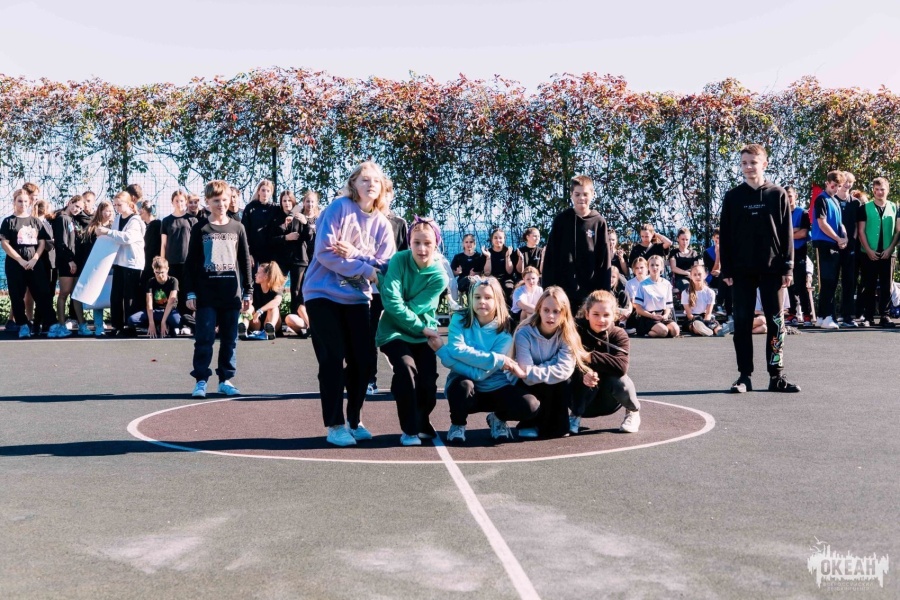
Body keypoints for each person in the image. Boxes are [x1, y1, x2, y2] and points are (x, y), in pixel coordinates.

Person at [302, 161, 396, 447]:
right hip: (322, 294)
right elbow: (325, 253)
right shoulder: (338, 208)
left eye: (376, 181)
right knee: (332, 356)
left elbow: (386, 266)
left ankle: (354, 420)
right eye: (364, 179)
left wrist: (356, 256)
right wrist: (366, 268)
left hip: (357, 298)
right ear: (353, 183)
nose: (370, 184)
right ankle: (334, 425)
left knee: (364, 360)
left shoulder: (382, 224)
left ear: (382, 188)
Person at [719, 144, 799, 393]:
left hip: (772, 269)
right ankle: (744, 376)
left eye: (753, 162)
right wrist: (726, 269)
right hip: (741, 270)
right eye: (744, 163)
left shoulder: (778, 194)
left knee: (776, 322)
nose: (748, 167)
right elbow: (726, 235)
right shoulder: (733, 197)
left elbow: (786, 234)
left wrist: (788, 267)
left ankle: (777, 376)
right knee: (742, 323)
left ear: (764, 164)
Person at [432, 277, 539, 444]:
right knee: (462, 386)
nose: (482, 301)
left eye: (488, 297)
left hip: (496, 387)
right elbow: (456, 349)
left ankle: (498, 418)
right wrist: (497, 359)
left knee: (530, 405)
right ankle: (458, 424)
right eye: (477, 297)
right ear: (471, 298)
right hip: (467, 388)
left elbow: (481, 374)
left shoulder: (505, 329)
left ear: (497, 300)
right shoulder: (459, 318)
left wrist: (446, 356)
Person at [375, 217, 448, 445]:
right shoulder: (399, 259)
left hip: (423, 334)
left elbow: (409, 307)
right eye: (416, 242)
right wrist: (393, 300)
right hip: (394, 332)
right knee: (406, 370)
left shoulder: (439, 276)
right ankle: (409, 430)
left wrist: (383, 285)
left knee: (428, 384)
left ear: (436, 244)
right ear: (409, 242)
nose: (421, 248)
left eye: (427, 243)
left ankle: (421, 418)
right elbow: (393, 305)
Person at [184, 180, 253, 398]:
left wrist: (248, 291)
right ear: (207, 202)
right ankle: (201, 381)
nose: (221, 204)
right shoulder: (200, 228)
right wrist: (190, 291)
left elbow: (245, 261)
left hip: (231, 294)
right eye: (216, 200)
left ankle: (225, 380)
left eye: (224, 200)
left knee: (230, 340)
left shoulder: (238, 227)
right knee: (204, 339)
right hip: (206, 294)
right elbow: (191, 263)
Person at [504, 286, 588, 439]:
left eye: (556, 311)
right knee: (532, 395)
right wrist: (552, 364)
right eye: (546, 310)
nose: (550, 316)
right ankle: (526, 422)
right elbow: (525, 373)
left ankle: (552, 423)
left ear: (564, 313)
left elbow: (564, 370)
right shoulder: (524, 332)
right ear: (539, 310)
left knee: (566, 381)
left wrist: (534, 370)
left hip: (551, 383)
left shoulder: (568, 334)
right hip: (526, 384)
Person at [570, 290, 641, 435]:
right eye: (596, 314)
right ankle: (574, 416)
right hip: (581, 398)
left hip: (609, 401)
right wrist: (584, 373)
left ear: (614, 315)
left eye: (606, 315)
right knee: (566, 376)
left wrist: (590, 357)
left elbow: (621, 366)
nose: (601, 320)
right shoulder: (575, 330)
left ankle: (633, 412)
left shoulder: (619, 334)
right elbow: (567, 360)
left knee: (621, 380)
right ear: (587, 314)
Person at [542, 175, 611, 309]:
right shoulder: (561, 220)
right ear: (571, 195)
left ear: (592, 195)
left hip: (590, 293)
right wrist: (548, 290)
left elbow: (604, 261)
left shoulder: (599, 222)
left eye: (585, 194)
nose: (581, 198)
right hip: (563, 291)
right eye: (577, 194)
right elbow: (551, 257)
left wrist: (604, 293)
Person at [368, 182, 409, 395]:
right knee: (369, 335)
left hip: (393, 290)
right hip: (369, 289)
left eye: (386, 194)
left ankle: (401, 378)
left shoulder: (399, 223)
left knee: (398, 334)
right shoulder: (366, 220)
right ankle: (370, 379)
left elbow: (405, 256)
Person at [0, 189, 54, 338]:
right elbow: (5, 244)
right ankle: (22, 325)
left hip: (34, 264)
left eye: (25, 201)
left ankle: (52, 324)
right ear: (14, 202)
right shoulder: (8, 221)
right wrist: (20, 260)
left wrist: (35, 259)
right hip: (15, 265)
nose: (22, 204)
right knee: (16, 296)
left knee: (43, 293)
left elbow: (42, 243)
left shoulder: (35, 221)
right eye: (19, 201)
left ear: (29, 203)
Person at [97, 190, 146, 338]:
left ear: (129, 204)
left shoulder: (135, 220)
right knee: (116, 295)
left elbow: (127, 238)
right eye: (115, 205)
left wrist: (107, 232)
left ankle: (130, 326)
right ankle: (116, 326)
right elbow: (114, 237)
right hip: (119, 262)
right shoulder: (118, 219)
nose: (117, 208)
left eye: (119, 205)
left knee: (129, 297)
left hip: (132, 263)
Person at [857, 177, 899, 328]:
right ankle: (868, 316)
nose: (879, 192)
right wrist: (868, 250)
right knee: (869, 285)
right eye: (876, 190)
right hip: (869, 252)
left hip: (888, 252)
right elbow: (861, 231)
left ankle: (885, 316)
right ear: (873, 191)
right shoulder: (865, 208)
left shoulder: (894, 207)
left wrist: (890, 248)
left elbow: (898, 231)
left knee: (887, 285)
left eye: (882, 189)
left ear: (887, 190)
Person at [811, 170, 848, 329]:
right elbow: (822, 223)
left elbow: (840, 223)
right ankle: (827, 316)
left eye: (838, 186)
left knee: (831, 281)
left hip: (834, 243)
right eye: (833, 186)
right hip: (824, 243)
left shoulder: (835, 201)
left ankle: (821, 316)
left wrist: (844, 237)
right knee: (827, 281)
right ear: (827, 183)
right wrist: (838, 238)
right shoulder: (821, 199)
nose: (835, 189)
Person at [160, 190, 198, 334]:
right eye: (177, 201)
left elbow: (196, 244)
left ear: (186, 202)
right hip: (171, 263)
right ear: (172, 202)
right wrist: (163, 263)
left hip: (188, 264)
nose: (179, 203)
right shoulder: (166, 221)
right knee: (172, 295)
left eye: (182, 201)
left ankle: (187, 324)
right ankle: (173, 323)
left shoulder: (192, 220)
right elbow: (163, 244)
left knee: (187, 293)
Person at [50, 195, 87, 338]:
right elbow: (61, 242)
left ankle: (82, 324)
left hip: (76, 262)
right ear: (70, 202)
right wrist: (69, 260)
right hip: (66, 263)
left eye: (80, 208)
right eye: (76, 206)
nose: (77, 209)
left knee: (76, 295)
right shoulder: (62, 218)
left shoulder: (72, 219)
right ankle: (61, 325)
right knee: (64, 293)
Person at [79, 201, 115, 337]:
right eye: (106, 210)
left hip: (113, 266)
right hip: (97, 267)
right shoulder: (92, 228)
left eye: (110, 210)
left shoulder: (115, 226)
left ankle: (116, 324)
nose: (108, 213)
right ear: (100, 211)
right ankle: (98, 325)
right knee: (98, 297)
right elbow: (87, 249)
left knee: (113, 296)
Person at [834, 171, 862, 327]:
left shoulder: (856, 203)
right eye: (845, 181)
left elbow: (858, 225)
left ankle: (847, 316)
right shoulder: (832, 200)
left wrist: (852, 241)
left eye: (850, 182)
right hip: (834, 245)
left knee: (849, 281)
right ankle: (830, 314)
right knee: (831, 280)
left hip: (850, 247)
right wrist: (838, 240)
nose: (847, 184)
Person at [128, 256, 181, 338]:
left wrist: (163, 321)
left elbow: (171, 302)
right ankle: (155, 326)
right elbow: (149, 303)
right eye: (157, 272)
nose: (160, 275)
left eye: (162, 272)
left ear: (167, 269)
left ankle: (167, 326)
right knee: (132, 320)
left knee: (177, 321)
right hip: (155, 311)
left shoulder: (173, 281)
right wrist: (151, 323)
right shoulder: (151, 281)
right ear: (153, 270)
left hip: (169, 310)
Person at [785, 186, 814, 327]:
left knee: (801, 284)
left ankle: (807, 315)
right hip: (785, 253)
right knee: (788, 284)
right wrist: (794, 230)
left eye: (790, 195)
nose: (788, 198)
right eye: (785, 196)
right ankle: (792, 313)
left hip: (799, 252)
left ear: (795, 196)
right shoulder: (781, 214)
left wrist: (787, 233)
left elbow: (803, 233)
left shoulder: (803, 213)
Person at [633, 255, 680, 338]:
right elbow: (638, 309)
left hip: (663, 316)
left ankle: (662, 330)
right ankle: (646, 331)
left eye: (657, 265)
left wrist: (665, 315)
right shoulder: (642, 285)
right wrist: (652, 316)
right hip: (649, 316)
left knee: (675, 331)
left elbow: (668, 306)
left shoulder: (667, 284)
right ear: (648, 267)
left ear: (661, 267)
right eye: (652, 265)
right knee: (664, 331)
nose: (655, 267)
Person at [241, 261, 286, 340]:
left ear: (266, 277)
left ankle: (270, 330)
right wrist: (244, 307)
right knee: (249, 307)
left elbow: (277, 301)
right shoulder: (254, 287)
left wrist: (260, 311)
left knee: (273, 308)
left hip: (271, 321)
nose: (255, 274)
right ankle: (243, 328)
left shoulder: (276, 287)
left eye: (258, 273)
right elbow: (249, 301)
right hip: (256, 323)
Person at [241, 179, 277, 269]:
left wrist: (291, 215)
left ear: (271, 193)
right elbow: (244, 231)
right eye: (263, 190)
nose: (265, 193)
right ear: (258, 191)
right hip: (254, 253)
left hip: (271, 253)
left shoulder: (275, 208)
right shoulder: (250, 208)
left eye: (268, 191)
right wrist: (248, 253)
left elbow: (295, 207)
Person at [682, 263, 720, 336]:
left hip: (705, 317)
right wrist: (698, 321)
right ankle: (703, 329)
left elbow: (708, 313)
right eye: (695, 275)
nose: (697, 277)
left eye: (700, 274)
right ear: (691, 276)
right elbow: (689, 315)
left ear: (705, 275)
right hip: (692, 318)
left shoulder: (710, 292)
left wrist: (705, 321)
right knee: (695, 327)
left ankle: (718, 330)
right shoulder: (686, 292)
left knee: (715, 327)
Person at [482, 228, 515, 304]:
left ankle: (508, 310)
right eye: (495, 238)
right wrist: (488, 257)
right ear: (492, 239)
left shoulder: (509, 251)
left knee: (508, 288)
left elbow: (509, 272)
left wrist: (507, 256)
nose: (498, 240)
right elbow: (487, 273)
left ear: (504, 239)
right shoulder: (487, 252)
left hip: (506, 279)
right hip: (491, 278)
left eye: (500, 238)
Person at [450, 234, 486, 301]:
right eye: (466, 242)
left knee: (473, 282)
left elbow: (484, 272)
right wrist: (457, 272)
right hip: (462, 282)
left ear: (474, 244)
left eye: (471, 242)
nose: (468, 244)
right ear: (463, 244)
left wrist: (476, 274)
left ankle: (472, 304)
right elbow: (451, 274)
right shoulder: (458, 257)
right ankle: (471, 304)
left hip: (477, 281)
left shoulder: (479, 257)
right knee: (469, 281)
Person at [668, 227, 699, 298]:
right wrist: (687, 273)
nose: (685, 242)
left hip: (693, 277)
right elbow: (673, 268)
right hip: (680, 278)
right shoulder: (674, 253)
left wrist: (693, 275)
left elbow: (696, 267)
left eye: (687, 239)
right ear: (678, 239)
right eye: (682, 239)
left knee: (701, 286)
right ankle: (690, 304)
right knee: (687, 287)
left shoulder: (693, 253)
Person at [139, 201, 162, 291]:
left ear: (145, 210)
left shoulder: (157, 225)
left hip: (152, 263)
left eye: (140, 209)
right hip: (144, 263)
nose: (139, 212)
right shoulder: (144, 225)